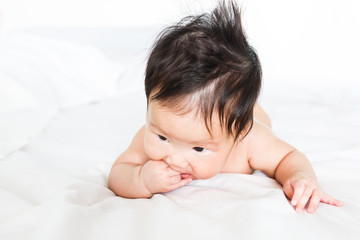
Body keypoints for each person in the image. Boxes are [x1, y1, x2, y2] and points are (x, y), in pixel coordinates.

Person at [108, 0, 343, 214]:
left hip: (252, 119)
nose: (175, 159)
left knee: (257, 118)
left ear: (236, 135)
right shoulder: (150, 133)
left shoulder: (249, 140)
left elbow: (288, 158)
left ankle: (252, 107)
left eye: (199, 149)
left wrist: (299, 176)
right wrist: (141, 179)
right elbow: (118, 172)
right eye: (162, 138)